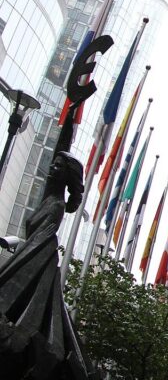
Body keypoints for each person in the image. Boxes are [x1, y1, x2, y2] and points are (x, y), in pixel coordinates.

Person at [0, 150, 95, 379]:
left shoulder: (56, 206)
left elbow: (36, 244)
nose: (52, 168)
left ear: (67, 176)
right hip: (31, 258)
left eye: (58, 167)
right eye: (53, 164)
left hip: (35, 260)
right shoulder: (48, 199)